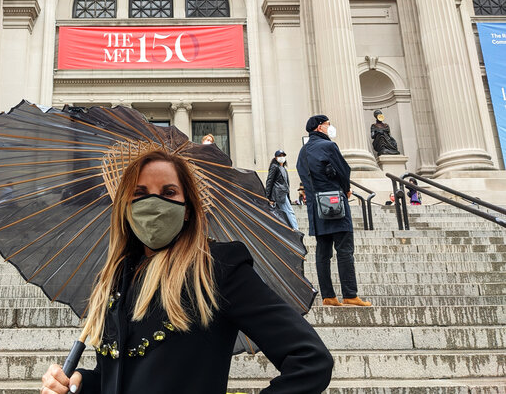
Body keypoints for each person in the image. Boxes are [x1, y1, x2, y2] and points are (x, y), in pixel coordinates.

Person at [40, 149, 333, 394]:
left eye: (168, 192)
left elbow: (311, 360)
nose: (154, 204)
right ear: (126, 208)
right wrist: (76, 383)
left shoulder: (217, 269)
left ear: (188, 208)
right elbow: (114, 379)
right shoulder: (116, 280)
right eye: (140, 193)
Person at [296, 115, 372, 308]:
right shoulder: (329, 146)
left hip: (316, 207)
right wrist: (346, 189)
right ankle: (350, 294)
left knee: (323, 253)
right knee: (345, 250)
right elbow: (343, 170)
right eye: (328, 124)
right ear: (320, 127)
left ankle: (328, 296)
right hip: (335, 202)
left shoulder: (302, 152)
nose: (330, 127)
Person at [265, 150, 299, 231]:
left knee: (282, 213)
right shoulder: (274, 167)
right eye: (279, 156)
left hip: (283, 194)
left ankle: (289, 229)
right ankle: (295, 230)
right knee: (289, 212)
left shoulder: (283, 168)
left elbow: (286, 185)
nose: (282, 157)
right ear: (276, 157)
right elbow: (269, 181)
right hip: (279, 194)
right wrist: (269, 197)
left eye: (283, 155)